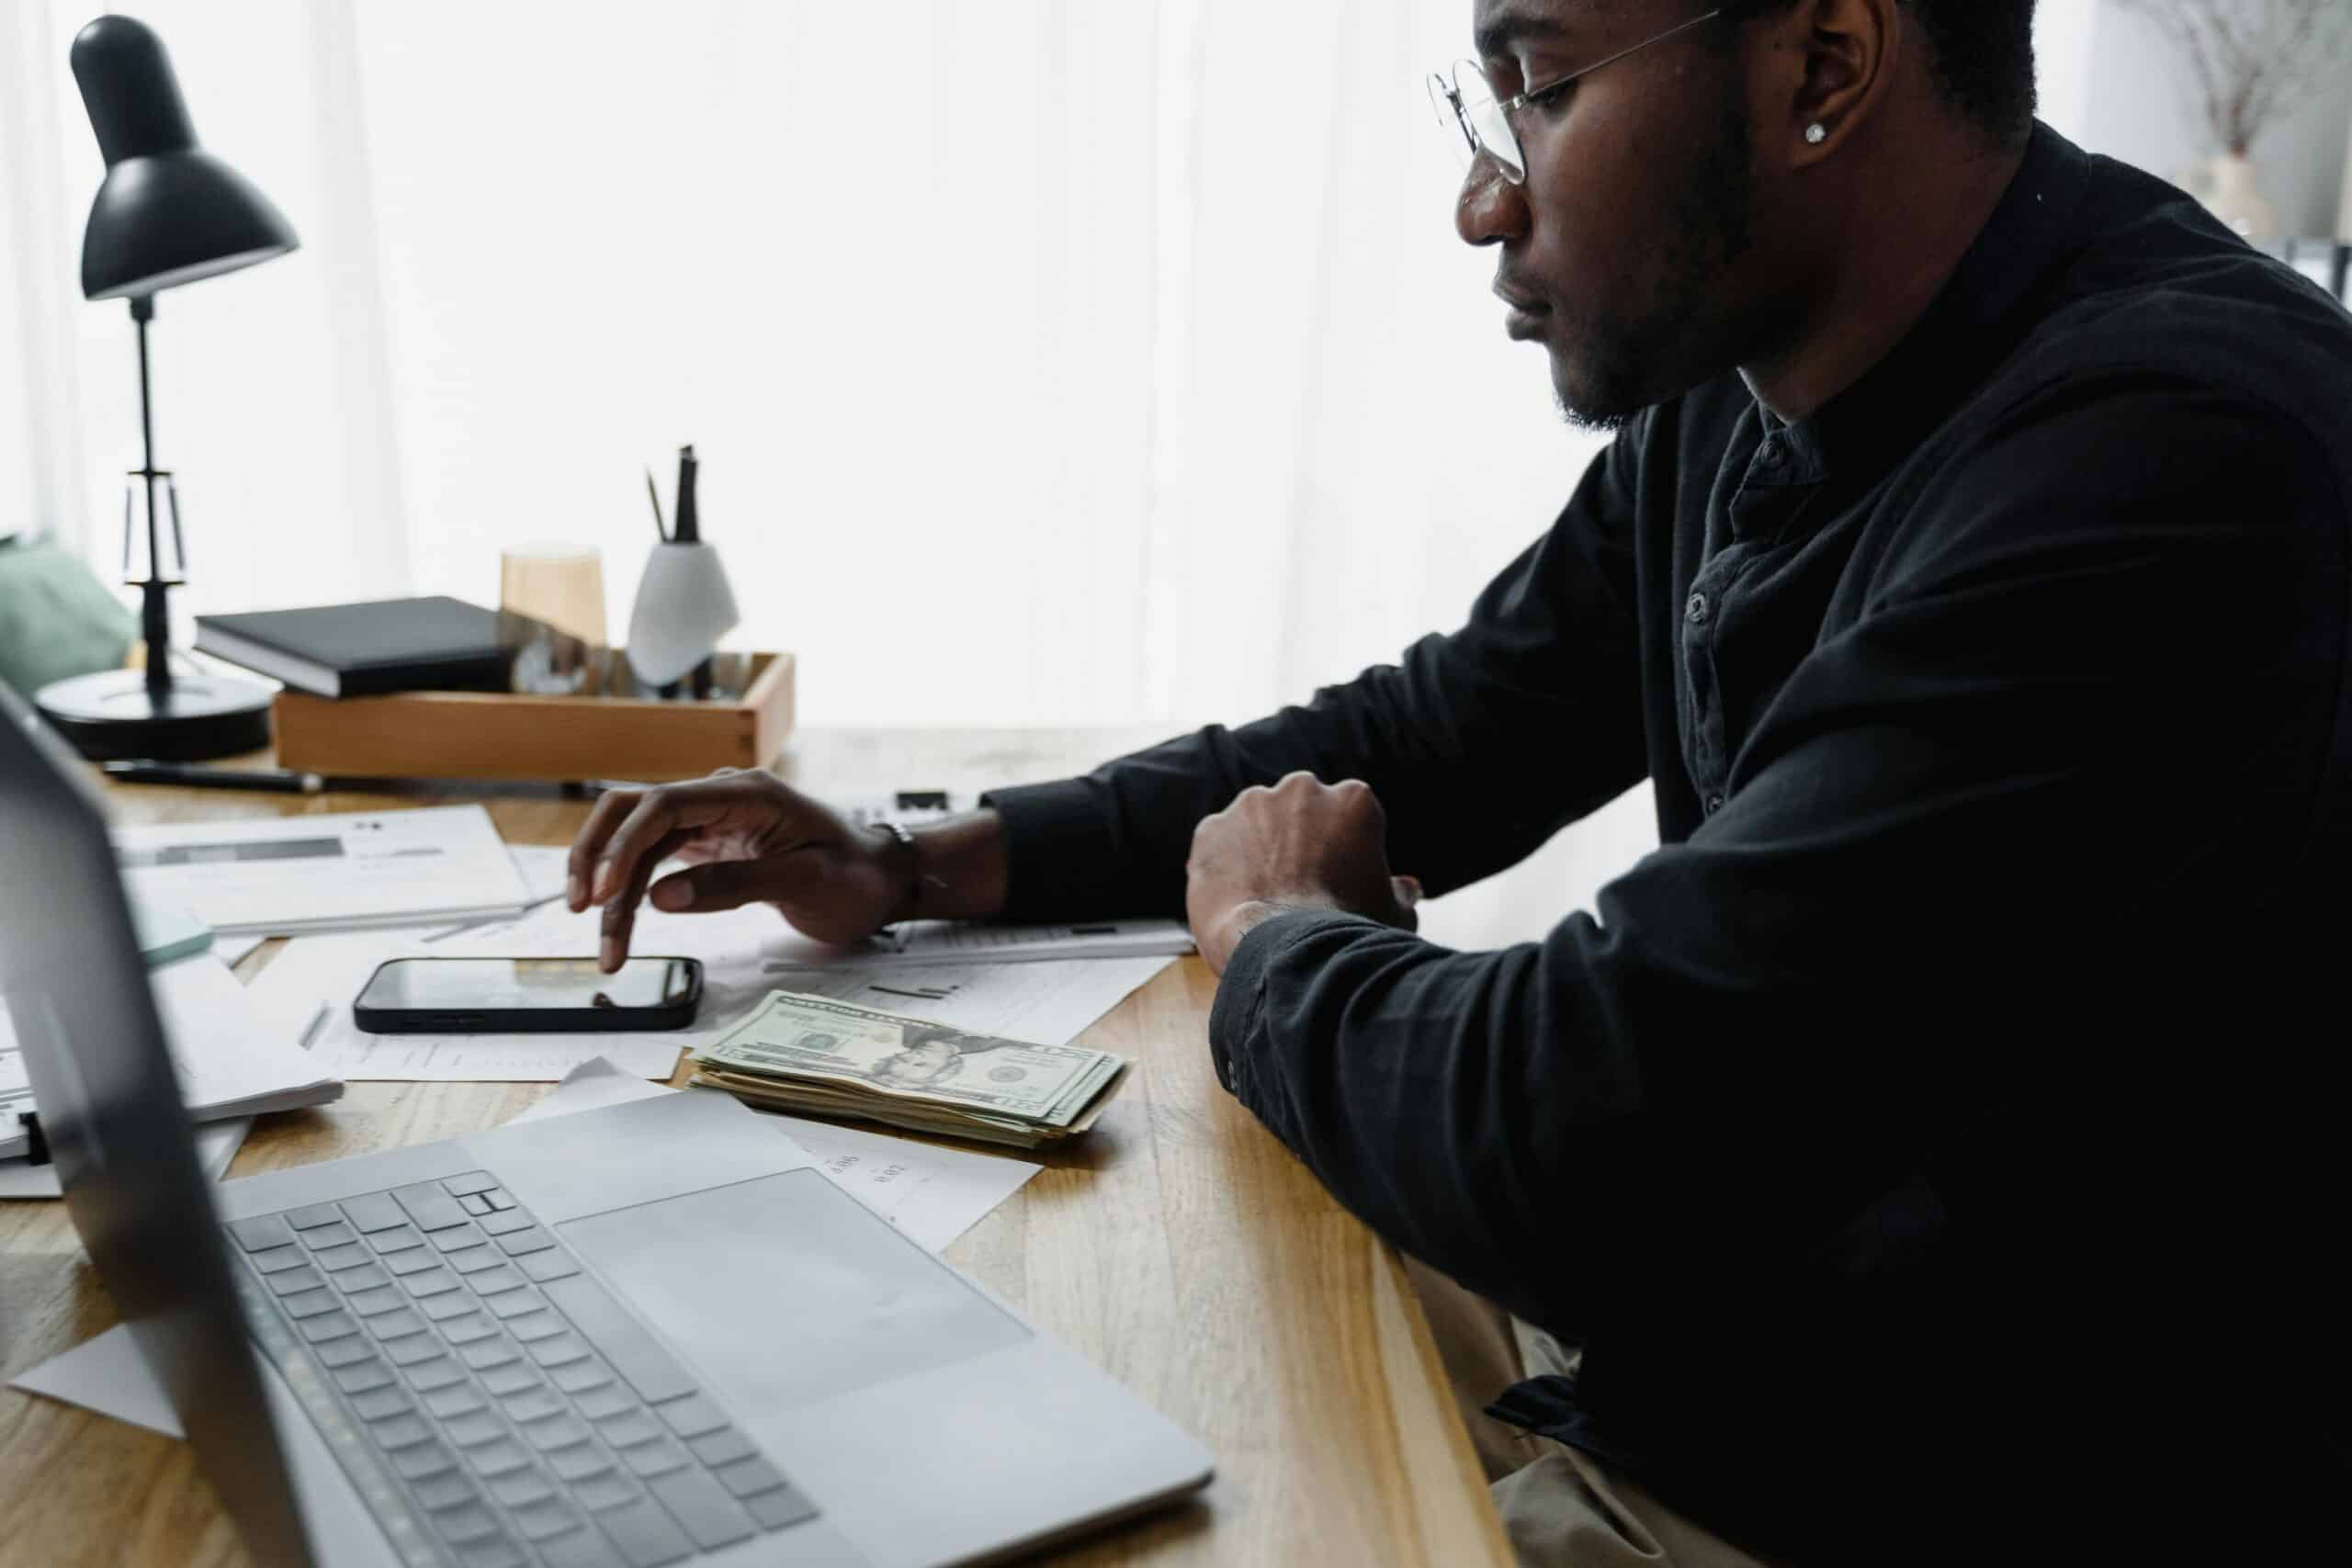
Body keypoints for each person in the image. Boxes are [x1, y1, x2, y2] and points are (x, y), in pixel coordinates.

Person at [570, 1, 2352, 1562]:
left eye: (1539, 83)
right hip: (1707, 1373)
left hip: (1886, 1497)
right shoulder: (1754, 372)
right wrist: (917, 861)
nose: (1481, 197)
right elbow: (1444, 726)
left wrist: (1269, 933)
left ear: (1822, 62)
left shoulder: (2170, 454)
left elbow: (1592, 1128)